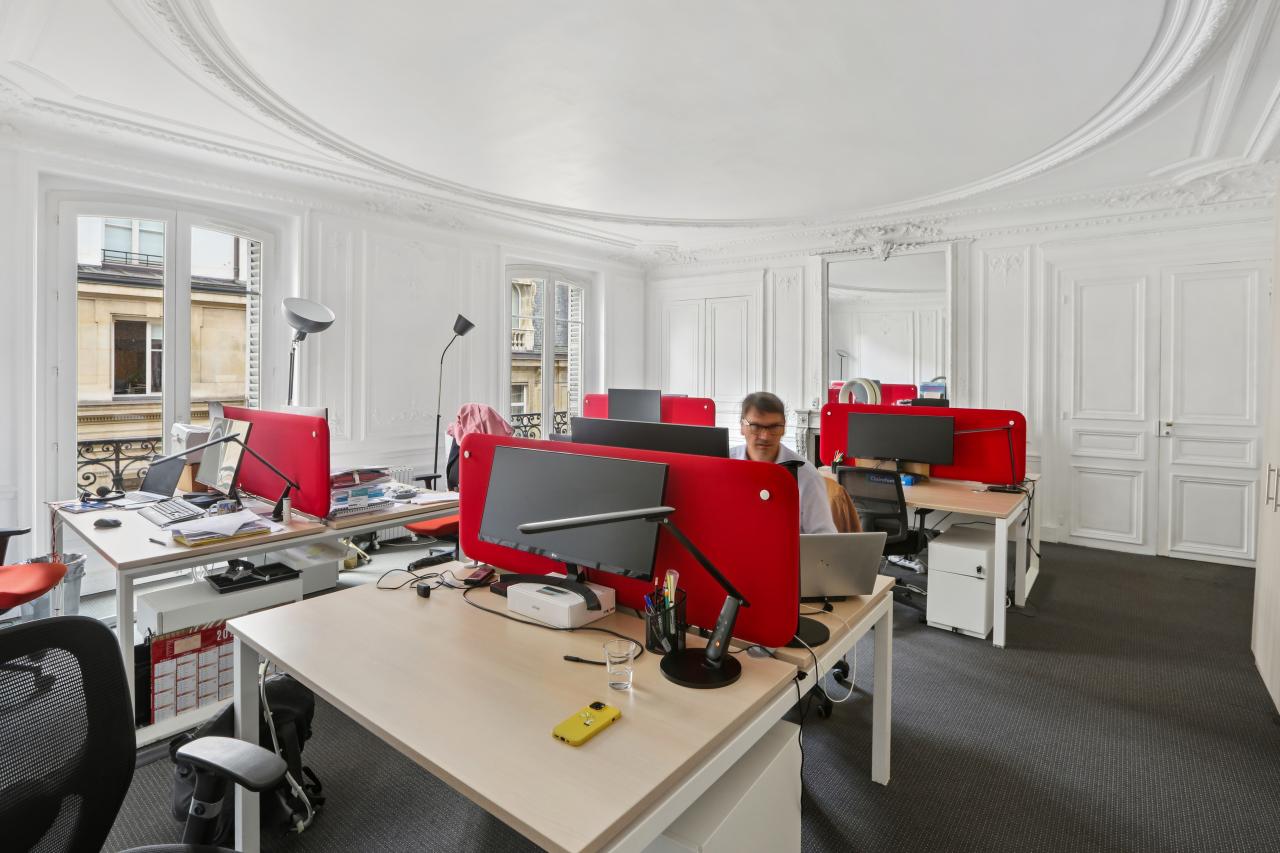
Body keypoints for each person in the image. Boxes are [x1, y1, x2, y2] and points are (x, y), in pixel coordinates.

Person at [730, 391, 837, 534]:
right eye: (755, 426)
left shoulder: (806, 476)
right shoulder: (723, 464)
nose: (765, 436)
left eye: (774, 427)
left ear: (784, 428)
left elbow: (824, 538)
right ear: (742, 427)